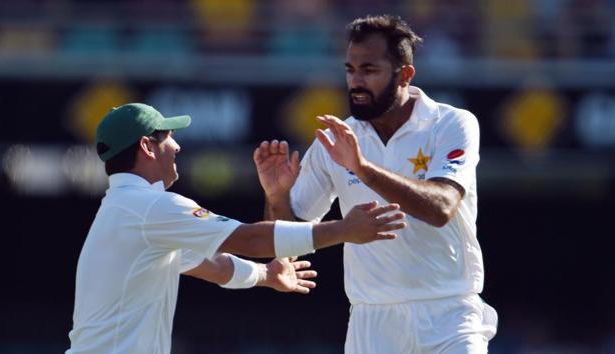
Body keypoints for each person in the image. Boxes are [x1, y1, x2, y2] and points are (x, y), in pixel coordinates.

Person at [66, 103, 405, 354]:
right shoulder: (150, 206)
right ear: (146, 146)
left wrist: (266, 275)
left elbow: (212, 265)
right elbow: (251, 239)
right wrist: (345, 229)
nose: (177, 146)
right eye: (168, 137)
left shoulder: (127, 209)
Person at [254, 15, 498, 353]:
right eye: (350, 70)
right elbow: (289, 237)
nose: (356, 81)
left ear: (405, 75)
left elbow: (442, 207)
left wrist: (364, 169)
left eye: (369, 70)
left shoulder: (452, 123)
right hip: (372, 322)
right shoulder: (335, 140)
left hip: (449, 315)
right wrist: (277, 196)